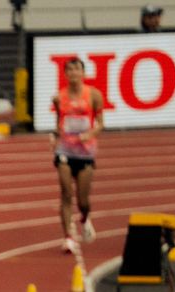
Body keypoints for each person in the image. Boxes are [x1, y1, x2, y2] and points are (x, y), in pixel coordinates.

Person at [52, 57, 103, 255]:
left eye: (77, 70)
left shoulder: (94, 95)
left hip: (86, 152)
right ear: (65, 74)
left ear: (83, 73)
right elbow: (59, 122)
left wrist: (90, 134)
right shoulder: (59, 97)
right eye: (70, 70)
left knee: (83, 200)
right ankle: (68, 237)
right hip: (65, 150)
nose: (73, 74)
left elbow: (100, 123)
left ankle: (84, 217)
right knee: (65, 193)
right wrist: (54, 136)